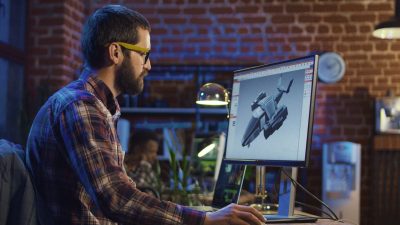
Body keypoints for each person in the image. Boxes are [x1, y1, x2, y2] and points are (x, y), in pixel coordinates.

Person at [26, 4, 266, 225]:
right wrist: (205, 220)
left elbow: (121, 191)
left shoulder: (94, 105)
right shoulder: (80, 107)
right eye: (144, 55)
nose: (149, 66)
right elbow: (117, 198)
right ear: (116, 52)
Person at [124, 130, 161, 197]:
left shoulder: (147, 168)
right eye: (151, 152)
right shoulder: (121, 167)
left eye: (156, 152)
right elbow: (139, 191)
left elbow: (161, 189)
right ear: (137, 150)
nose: (155, 156)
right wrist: (144, 164)